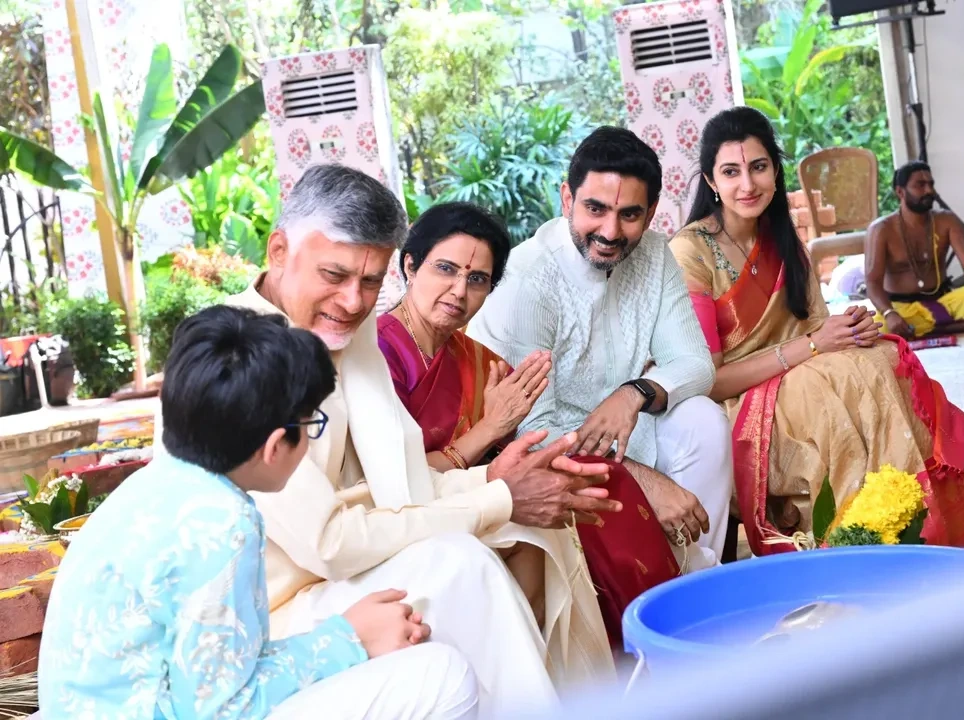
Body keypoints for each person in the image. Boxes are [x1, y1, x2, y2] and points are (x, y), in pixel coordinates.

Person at [150, 164, 623, 717]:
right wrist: (493, 495)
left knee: (536, 528)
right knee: (458, 563)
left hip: (347, 567)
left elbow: (402, 484)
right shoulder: (238, 356)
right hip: (274, 614)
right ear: (279, 250)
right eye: (335, 274)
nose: (353, 301)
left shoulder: (354, 331)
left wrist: (497, 482)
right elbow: (329, 543)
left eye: (370, 282)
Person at [40, 305, 479, 719]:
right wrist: (352, 639)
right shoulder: (223, 521)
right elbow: (224, 708)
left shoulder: (155, 488)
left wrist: (348, 634)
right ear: (274, 447)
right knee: (442, 673)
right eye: (311, 426)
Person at [667, 106, 964, 557]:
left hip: (797, 375)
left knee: (878, 358)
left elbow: (814, 326)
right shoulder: (690, 253)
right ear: (710, 182)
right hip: (736, 400)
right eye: (731, 171)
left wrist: (847, 328)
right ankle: (850, 542)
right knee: (825, 386)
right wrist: (815, 344)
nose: (747, 184)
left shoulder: (781, 240)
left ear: (775, 173)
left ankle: (903, 526)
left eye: (758, 167)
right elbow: (708, 379)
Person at [377, 201, 692, 649]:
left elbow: (518, 450)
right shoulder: (377, 356)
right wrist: (488, 430)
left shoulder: (478, 362)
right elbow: (396, 481)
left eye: (477, 279)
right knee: (537, 529)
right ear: (410, 265)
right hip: (416, 512)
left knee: (596, 480)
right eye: (445, 269)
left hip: (478, 488)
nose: (458, 291)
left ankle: (651, 637)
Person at [467, 127, 733, 561]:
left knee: (701, 420)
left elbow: (696, 364)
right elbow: (532, 432)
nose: (610, 231)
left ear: (650, 215)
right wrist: (644, 482)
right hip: (550, 457)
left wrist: (633, 394)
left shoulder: (653, 253)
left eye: (629, 214)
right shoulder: (528, 281)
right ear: (566, 199)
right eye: (595, 209)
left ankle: (699, 578)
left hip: (630, 433)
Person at [866, 161, 964, 339]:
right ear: (900, 192)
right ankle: (956, 326)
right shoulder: (881, 229)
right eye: (920, 185)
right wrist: (889, 313)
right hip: (901, 308)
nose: (929, 191)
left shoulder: (946, 221)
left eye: (931, 184)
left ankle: (925, 330)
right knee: (878, 327)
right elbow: (872, 283)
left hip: (943, 302)